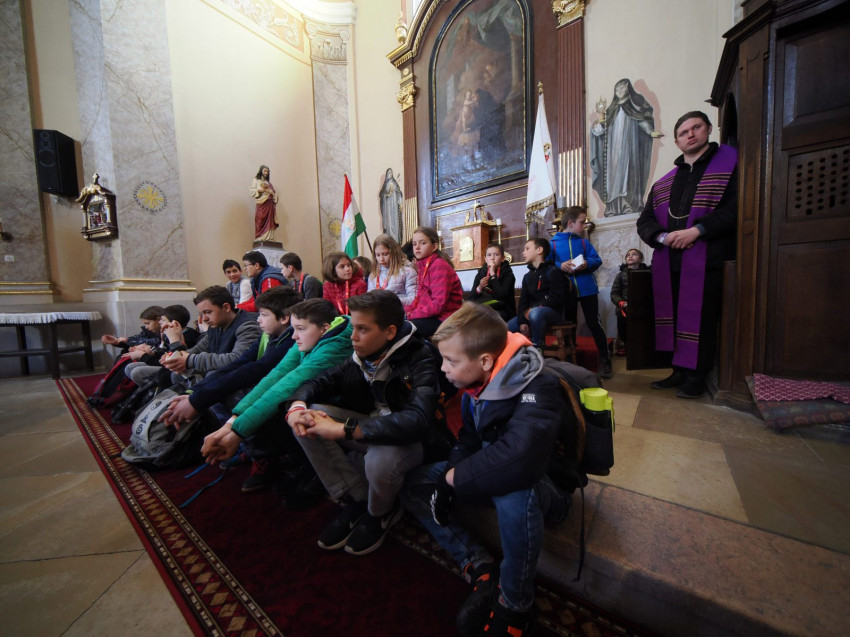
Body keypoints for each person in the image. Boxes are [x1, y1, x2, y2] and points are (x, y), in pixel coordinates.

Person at [401, 302, 573, 637]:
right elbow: (469, 437)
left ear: (484, 360)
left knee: (514, 489)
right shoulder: (479, 383)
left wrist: (454, 479)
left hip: (547, 484)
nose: (443, 369)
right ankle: (478, 563)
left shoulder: (539, 384)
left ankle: (515, 603)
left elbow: (521, 457)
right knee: (415, 481)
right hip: (493, 468)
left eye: (451, 361)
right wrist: (450, 473)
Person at [287, 290, 446, 555]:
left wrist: (346, 429)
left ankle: (381, 512)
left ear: (390, 332)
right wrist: (296, 406)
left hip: (414, 440)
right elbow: (321, 381)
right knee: (310, 416)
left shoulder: (421, 356)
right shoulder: (363, 354)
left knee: (379, 461)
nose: (353, 337)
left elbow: (418, 420)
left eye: (362, 329)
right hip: (373, 427)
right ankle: (358, 498)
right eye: (353, 327)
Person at [637, 111, 738, 398]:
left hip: (708, 257)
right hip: (670, 260)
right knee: (674, 317)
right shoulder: (664, 182)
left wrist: (698, 230)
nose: (690, 134)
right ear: (677, 141)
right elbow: (644, 221)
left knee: (701, 318)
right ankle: (679, 371)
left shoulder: (729, 165)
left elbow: (735, 209)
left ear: (708, 129)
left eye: (696, 128)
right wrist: (663, 237)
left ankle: (697, 375)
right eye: (683, 132)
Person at [199, 300, 352, 487]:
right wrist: (232, 423)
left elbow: (288, 385)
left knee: (289, 411)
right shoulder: (313, 337)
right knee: (274, 404)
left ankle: (322, 479)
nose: (294, 336)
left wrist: (237, 433)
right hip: (314, 396)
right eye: (294, 329)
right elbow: (277, 375)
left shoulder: (336, 346)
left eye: (300, 329)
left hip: (343, 405)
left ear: (324, 328)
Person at [550, 207, 612, 379]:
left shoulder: (584, 243)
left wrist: (587, 263)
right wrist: (560, 265)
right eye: (582, 222)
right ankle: (570, 359)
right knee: (570, 324)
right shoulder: (553, 244)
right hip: (567, 291)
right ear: (570, 223)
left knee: (594, 323)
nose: (584, 226)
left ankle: (605, 360)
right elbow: (548, 265)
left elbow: (596, 260)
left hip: (587, 288)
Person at [159, 285, 262, 386]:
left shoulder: (248, 326)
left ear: (226, 307)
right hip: (223, 375)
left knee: (212, 375)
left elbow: (238, 358)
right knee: (174, 375)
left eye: (207, 312)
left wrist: (191, 360)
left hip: (242, 380)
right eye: (201, 314)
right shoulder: (216, 326)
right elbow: (199, 349)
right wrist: (175, 357)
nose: (204, 319)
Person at [590, 78, 660, 216]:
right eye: (617, 89)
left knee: (629, 175)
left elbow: (641, 121)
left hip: (630, 149)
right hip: (613, 153)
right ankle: (613, 207)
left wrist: (651, 131)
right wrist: (597, 123)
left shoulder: (634, 107)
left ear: (628, 88)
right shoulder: (611, 110)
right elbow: (599, 130)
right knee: (613, 179)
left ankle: (630, 204)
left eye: (622, 87)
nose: (619, 91)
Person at [507, 238, 569, 351]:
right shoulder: (527, 276)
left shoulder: (553, 271)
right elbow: (523, 301)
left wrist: (535, 308)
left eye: (527, 249)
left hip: (552, 313)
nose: (523, 252)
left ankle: (537, 348)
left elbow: (557, 297)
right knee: (507, 327)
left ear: (539, 250)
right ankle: (514, 354)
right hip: (531, 313)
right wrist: (522, 321)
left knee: (535, 313)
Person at [406, 226, 463, 339]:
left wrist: (411, 315)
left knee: (405, 330)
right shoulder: (423, 265)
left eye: (422, 243)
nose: (417, 247)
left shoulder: (439, 265)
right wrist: (402, 312)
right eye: (414, 244)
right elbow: (419, 299)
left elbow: (438, 305)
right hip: (432, 315)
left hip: (446, 317)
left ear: (434, 246)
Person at [124, 305, 200, 385]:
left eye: (163, 320)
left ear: (174, 323)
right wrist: (152, 351)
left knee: (137, 372)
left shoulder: (187, 337)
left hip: (173, 370)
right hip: (164, 364)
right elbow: (163, 353)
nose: (160, 322)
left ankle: (154, 389)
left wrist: (143, 356)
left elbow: (172, 362)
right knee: (129, 367)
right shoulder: (166, 334)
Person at [610, 248, 648, 356]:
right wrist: (621, 302)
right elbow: (614, 293)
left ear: (640, 259)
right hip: (625, 306)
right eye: (628, 255)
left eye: (634, 254)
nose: (630, 256)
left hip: (642, 305)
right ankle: (626, 344)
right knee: (622, 318)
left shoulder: (647, 273)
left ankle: (643, 346)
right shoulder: (620, 275)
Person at [469, 242, 516, 322]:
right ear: (485, 259)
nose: (492, 258)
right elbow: (470, 299)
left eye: (496, 255)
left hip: (502, 310)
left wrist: (493, 274)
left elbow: (501, 296)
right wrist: (479, 288)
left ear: (503, 258)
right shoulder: (480, 274)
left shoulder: (508, 274)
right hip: (483, 309)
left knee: (487, 319)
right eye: (489, 255)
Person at [367, 233, 417, 306]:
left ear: (394, 253)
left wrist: (390, 301)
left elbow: (414, 298)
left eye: (385, 254)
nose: (381, 259)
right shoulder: (373, 275)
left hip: (400, 311)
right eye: (378, 255)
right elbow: (370, 299)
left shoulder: (408, 272)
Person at [322, 251, 367, 315]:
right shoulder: (327, 286)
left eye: (349, 265)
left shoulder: (360, 284)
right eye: (342, 267)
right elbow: (327, 309)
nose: (348, 269)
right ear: (333, 270)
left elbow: (363, 310)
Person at [251, 164, 279, 241]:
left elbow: (274, 194)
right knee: (260, 219)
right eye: (265, 171)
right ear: (261, 171)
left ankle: (269, 238)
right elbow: (252, 191)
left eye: (267, 171)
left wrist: (272, 193)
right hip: (261, 204)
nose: (266, 173)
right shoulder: (256, 180)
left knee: (270, 221)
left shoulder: (269, 183)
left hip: (270, 205)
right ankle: (260, 237)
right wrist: (260, 190)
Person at [379, 168, 403, 242]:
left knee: (395, 222)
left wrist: (400, 202)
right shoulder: (385, 185)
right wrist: (388, 193)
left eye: (391, 172)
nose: (390, 174)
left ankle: (396, 239)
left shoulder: (395, 183)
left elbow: (399, 194)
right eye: (389, 173)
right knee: (389, 223)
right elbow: (382, 195)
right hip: (388, 208)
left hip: (394, 207)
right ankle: (389, 238)